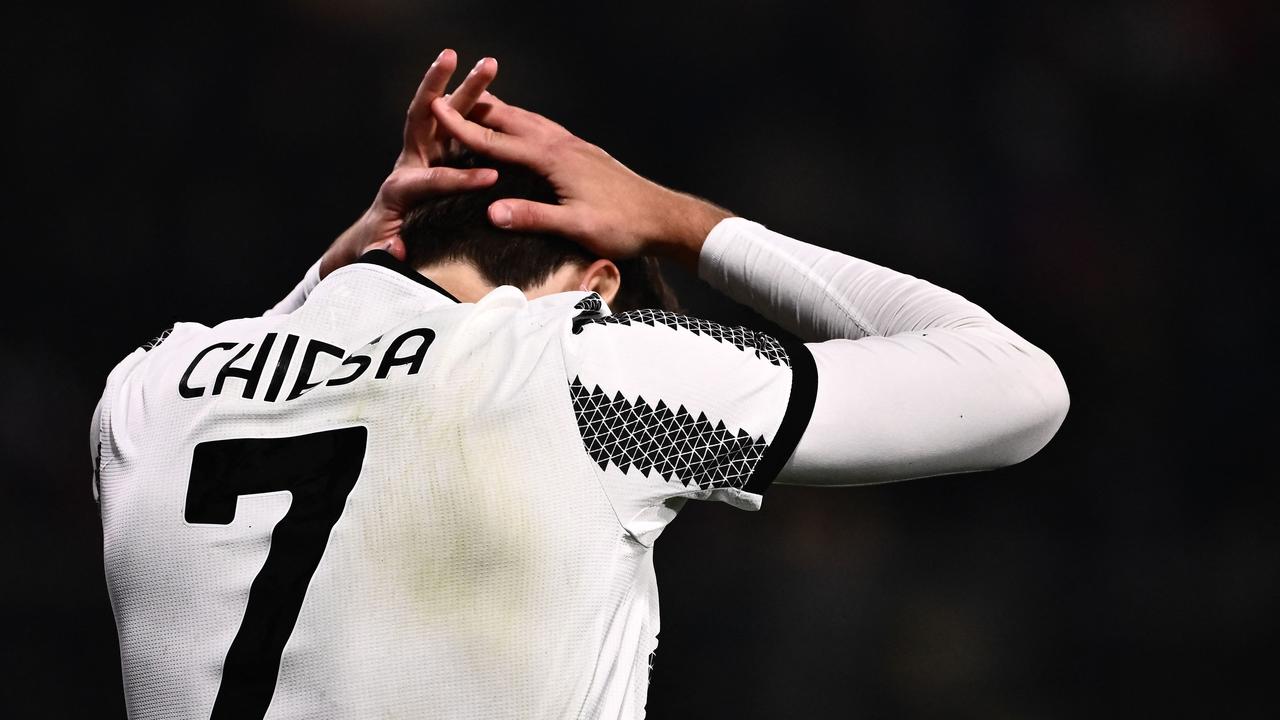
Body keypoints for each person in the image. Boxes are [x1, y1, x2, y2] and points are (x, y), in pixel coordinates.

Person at [91, 49, 1069, 720]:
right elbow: (1018, 390)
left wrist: (372, 237)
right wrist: (678, 221)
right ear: (597, 286)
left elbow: (291, 353)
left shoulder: (147, 395)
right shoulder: (587, 373)